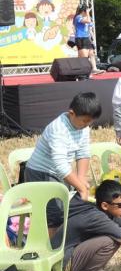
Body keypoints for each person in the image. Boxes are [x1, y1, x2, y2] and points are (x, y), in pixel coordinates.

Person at [24, 93, 102, 229]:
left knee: (66, 209)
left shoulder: (83, 127)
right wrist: (80, 187)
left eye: (91, 122)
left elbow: (83, 152)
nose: (87, 125)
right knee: (54, 215)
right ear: (71, 113)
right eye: (85, 121)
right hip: (42, 173)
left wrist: (81, 177)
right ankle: (52, 246)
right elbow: (59, 164)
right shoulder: (58, 129)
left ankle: (64, 240)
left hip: (61, 172)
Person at [73, 4, 99, 73]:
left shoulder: (86, 17)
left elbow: (90, 28)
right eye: (86, 10)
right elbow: (88, 21)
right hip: (80, 38)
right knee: (84, 56)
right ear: (83, 11)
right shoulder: (78, 17)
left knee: (91, 53)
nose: (88, 12)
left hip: (87, 38)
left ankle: (94, 68)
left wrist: (92, 38)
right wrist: (88, 13)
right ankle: (80, 70)